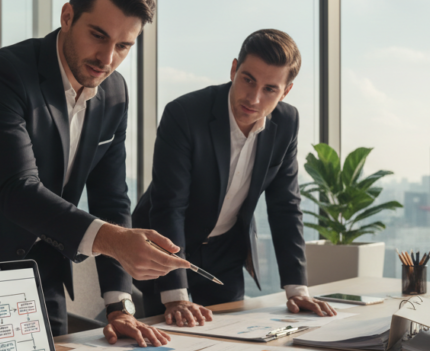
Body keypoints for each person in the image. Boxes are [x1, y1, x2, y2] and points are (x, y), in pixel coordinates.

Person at [0, 0, 187, 346]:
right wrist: (114, 240)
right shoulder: (1, 75)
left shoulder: (115, 94)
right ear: (67, 16)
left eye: (123, 46)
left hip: (45, 279)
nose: (107, 58)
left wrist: (119, 305)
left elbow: (111, 198)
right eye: (98, 35)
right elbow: (17, 188)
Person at [132, 29, 336, 325]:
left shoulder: (286, 122)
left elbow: (285, 206)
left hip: (225, 255)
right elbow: (169, 206)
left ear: (286, 91)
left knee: (229, 345)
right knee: (169, 345)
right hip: (165, 251)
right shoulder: (185, 114)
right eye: (248, 80)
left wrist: (297, 289)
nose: (253, 98)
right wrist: (175, 295)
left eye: (270, 89)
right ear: (233, 69)